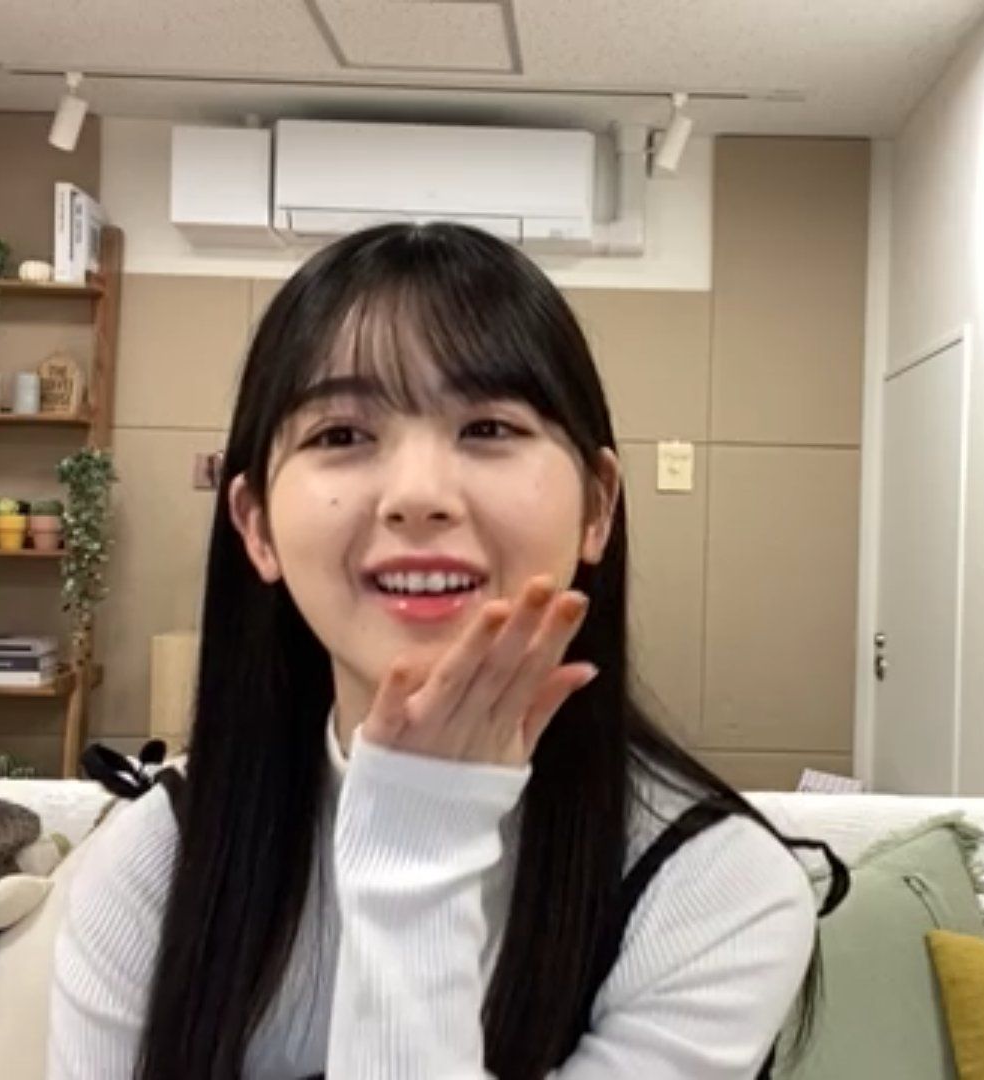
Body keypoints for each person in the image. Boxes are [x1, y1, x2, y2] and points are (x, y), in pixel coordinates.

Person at [50, 223, 831, 1079]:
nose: (418, 496)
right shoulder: (154, 863)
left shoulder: (714, 887)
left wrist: (418, 842)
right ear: (257, 526)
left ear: (598, 507)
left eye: (489, 426)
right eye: (340, 435)